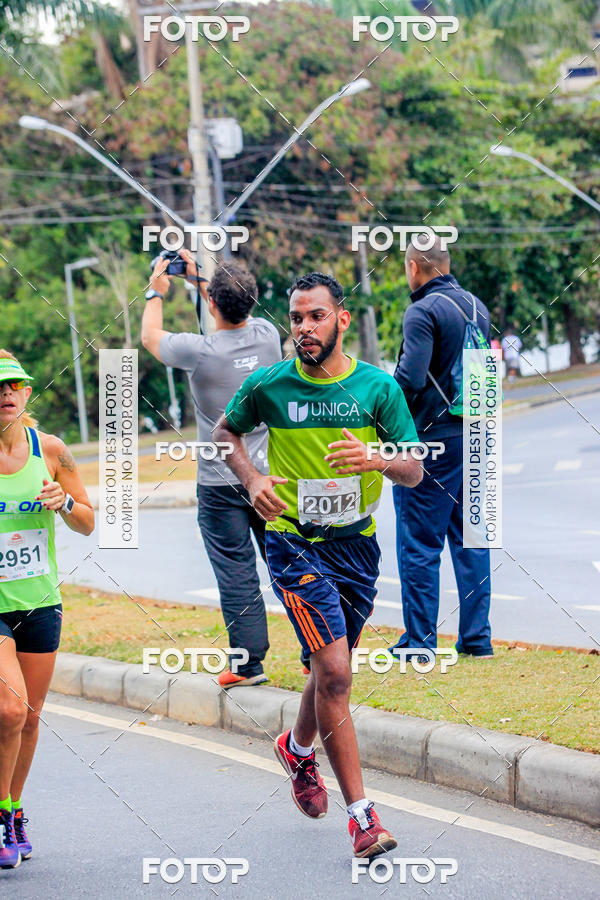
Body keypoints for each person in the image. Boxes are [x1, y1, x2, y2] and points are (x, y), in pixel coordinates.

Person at [214, 272, 422, 858]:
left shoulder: (377, 389)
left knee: (328, 669)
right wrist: (252, 478)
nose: (305, 328)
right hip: (292, 543)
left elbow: (414, 468)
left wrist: (376, 459)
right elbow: (224, 431)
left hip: (356, 547)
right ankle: (364, 819)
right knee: (334, 672)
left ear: (341, 321)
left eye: (316, 317)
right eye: (297, 319)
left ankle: (296, 748)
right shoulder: (269, 385)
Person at [141, 251, 281, 688]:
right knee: (289, 566)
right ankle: (318, 653)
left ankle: (248, 665)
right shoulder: (268, 336)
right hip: (267, 475)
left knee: (236, 573)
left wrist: (157, 289)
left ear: (212, 306)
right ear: (252, 302)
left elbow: (149, 336)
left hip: (220, 482)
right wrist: (203, 277)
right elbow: (228, 305)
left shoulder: (198, 352)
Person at [0, 351, 94, 869]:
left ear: (27, 393)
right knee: (8, 710)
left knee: (29, 719)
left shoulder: (51, 450)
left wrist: (63, 503)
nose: (5, 394)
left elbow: (87, 522)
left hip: (39, 602)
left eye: (13, 385)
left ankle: (13, 811)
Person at [392, 237, 494, 658]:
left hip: (432, 441)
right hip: (476, 435)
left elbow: (411, 380)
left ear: (415, 267)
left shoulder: (421, 311)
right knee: (472, 540)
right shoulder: (476, 306)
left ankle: (419, 642)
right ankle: (477, 640)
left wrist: (381, 398)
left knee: (419, 543)